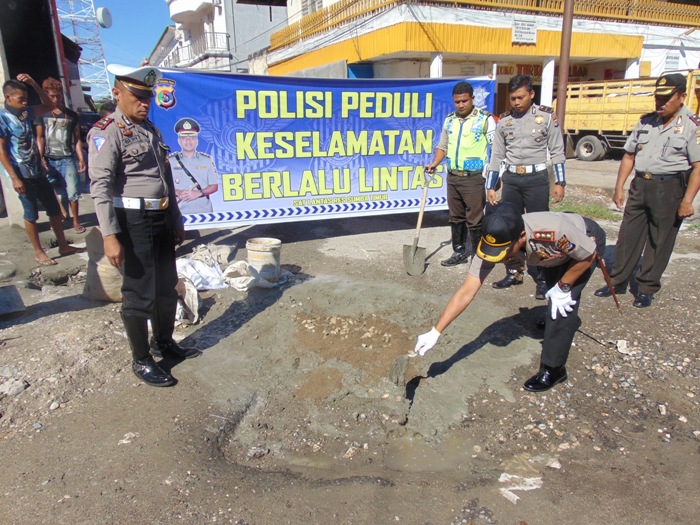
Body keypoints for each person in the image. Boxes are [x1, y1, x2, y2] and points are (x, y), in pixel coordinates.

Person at [88, 64, 201, 388]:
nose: (144, 103)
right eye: (137, 97)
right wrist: (110, 236)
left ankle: (163, 342)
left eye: (147, 98)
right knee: (140, 293)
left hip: (161, 218)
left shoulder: (149, 129)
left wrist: (176, 219)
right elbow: (101, 187)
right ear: (117, 94)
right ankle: (141, 359)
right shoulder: (106, 132)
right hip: (133, 222)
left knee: (166, 285)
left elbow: (166, 180)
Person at [414, 202, 606, 392]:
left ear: (521, 237)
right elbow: (466, 291)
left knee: (562, 305)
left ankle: (554, 369)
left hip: (584, 246)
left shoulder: (552, 233)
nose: (498, 258)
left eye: (503, 253)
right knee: (551, 287)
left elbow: (588, 254)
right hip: (551, 255)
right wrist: (435, 332)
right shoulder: (494, 240)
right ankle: (553, 320)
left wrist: (564, 287)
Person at [594, 73, 700, 308]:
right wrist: (619, 187)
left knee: (659, 240)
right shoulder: (645, 122)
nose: (659, 103)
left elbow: (698, 167)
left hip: (670, 187)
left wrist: (688, 200)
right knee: (627, 236)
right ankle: (618, 281)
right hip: (641, 185)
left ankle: (646, 288)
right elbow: (629, 155)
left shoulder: (692, 126)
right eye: (657, 98)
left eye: (666, 98)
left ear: (681, 96)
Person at [485, 75, 567, 298]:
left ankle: (542, 276)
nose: (516, 102)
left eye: (520, 97)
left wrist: (559, 182)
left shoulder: (546, 118)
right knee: (511, 228)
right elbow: (497, 157)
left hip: (536, 180)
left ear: (531, 94)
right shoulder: (504, 122)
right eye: (512, 98)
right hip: (512, 180)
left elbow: (558, 151)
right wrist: (491, 186)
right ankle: (514, 271)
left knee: (540, 230)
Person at [0, 78, 83, 266]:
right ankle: (39, 252)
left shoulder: (26, 113)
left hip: (38, 171)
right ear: (8, 97)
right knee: (31, 214)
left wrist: (34, 83)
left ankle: (63, 245)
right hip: (22, 175)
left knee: (54, 209)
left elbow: (48, 104)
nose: (25, 102)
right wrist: (14, 177)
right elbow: (1, 150)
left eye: (26, 98)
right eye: (21, 99)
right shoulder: (2, 118)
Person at [425, 81, 496, 266]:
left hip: (473, 177)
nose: (461, 105)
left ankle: (478, 255)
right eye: (457, 102)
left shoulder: (484, 119)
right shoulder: (450, 120)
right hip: (453, 176)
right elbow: (442, 146)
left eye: (464, 100)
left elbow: (495, 148)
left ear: (472, 99)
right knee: (456, 217)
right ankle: (459, 252)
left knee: (475, 218)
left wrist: (495, 176)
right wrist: (434, 163)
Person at [31, 77, 87, 233]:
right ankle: (59, 219)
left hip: (67, 159)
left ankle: (76, 221)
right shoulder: (41, 115)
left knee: (73, 192)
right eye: (51, 96)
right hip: (48, 159)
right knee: (51, 192)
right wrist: (40, 158)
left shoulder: (70, 115)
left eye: (58, 96)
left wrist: (81, 158)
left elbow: (76, 140)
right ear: (46, 96)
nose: (55, 99)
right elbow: (39, 138)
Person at [169, 118, 219, 215]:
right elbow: (164, 185)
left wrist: (199, 193)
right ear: (179, 140)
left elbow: (214, 186)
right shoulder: (170, 161)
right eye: (184, 137)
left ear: (196, 140)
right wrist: (177, 192)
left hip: (203, 212)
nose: (188, 141)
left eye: (192, 137)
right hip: (179, 212)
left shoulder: (207, 160)